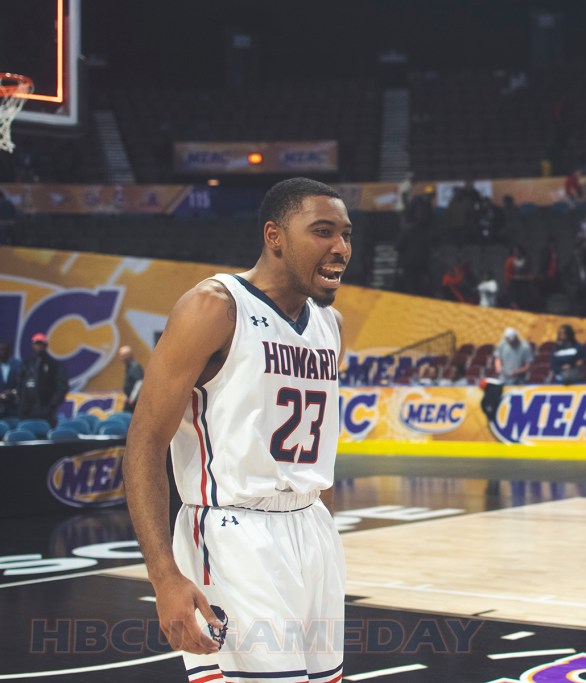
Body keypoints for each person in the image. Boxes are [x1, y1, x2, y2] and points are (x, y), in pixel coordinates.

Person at [122, 178, 350, 682]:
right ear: (275, 236)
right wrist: (164, 576)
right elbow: (145, 441)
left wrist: (323, 534)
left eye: (346, 234)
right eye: (323, 231)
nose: (340, 247)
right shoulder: (214, 307)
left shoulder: (330, 325)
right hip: (233, 536)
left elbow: (317, 448)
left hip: (311, 529)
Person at [17, 333, 68, 426]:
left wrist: (52, 405)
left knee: (45, 430)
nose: (39, 347)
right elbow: (20, 383)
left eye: (41, 344)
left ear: (45, 346)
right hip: (27, 409)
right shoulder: (27, 364)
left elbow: (62, 385)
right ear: (33, 345)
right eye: (37, 344)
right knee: (26, 430)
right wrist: (21, 402)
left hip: (46, 409)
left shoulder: (53, 364)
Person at [118, 345, 145, 412]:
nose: (123, 359)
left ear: (129, 356)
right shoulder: (128, 368)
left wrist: (133, 397)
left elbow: (139, 382)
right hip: (131, 400)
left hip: (135, 401)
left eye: (124, 356)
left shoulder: (135, 367)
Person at [0, 340, 21, 420]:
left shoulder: (18, 365)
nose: (1, 352)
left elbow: (23, 385)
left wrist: (13, 392)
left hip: (14, 409)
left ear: (9, 351)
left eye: (3, 349)